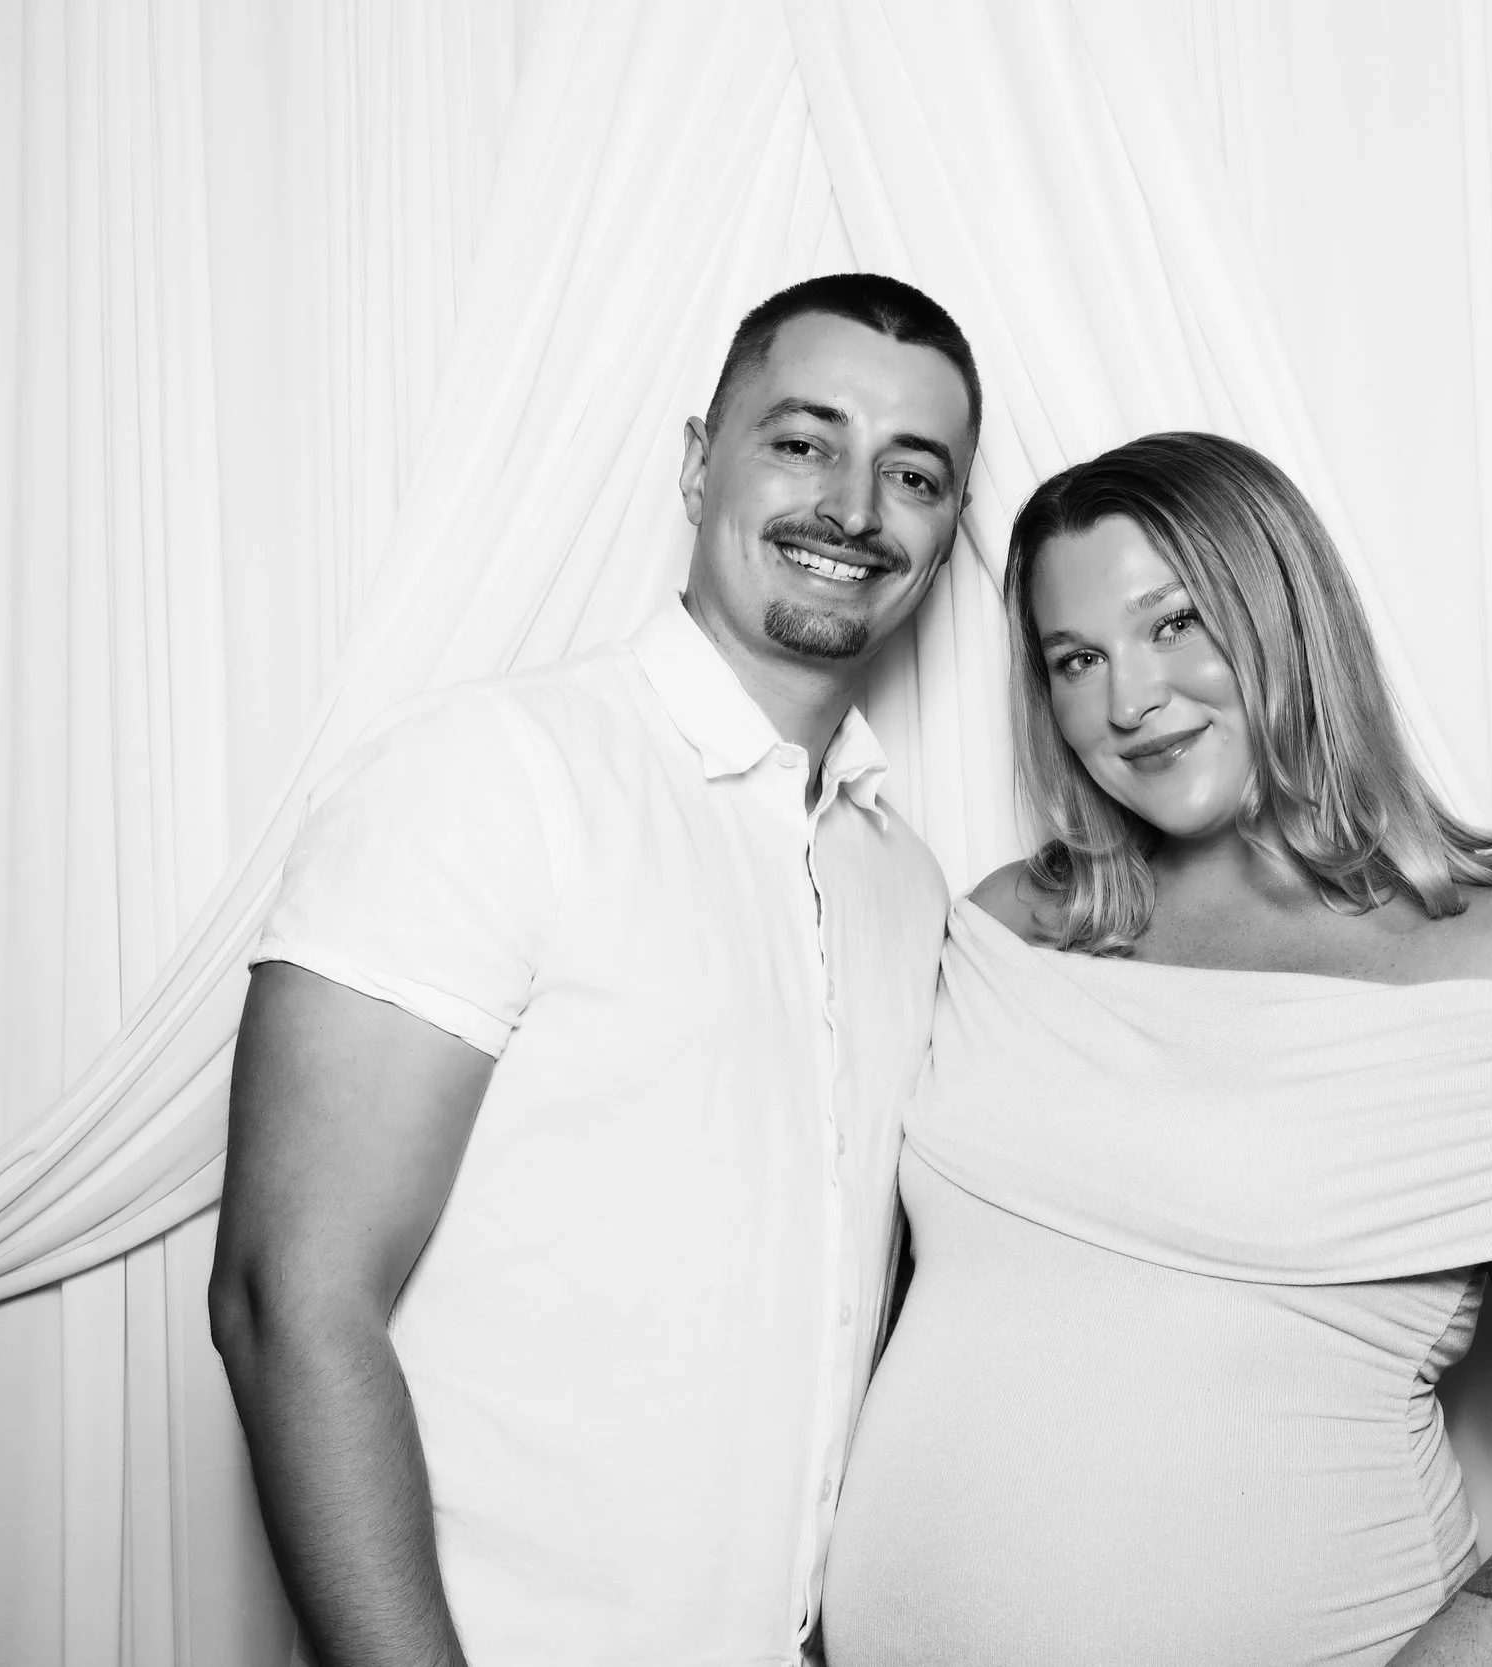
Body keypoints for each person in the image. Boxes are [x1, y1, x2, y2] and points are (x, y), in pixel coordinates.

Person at [820, 432, 1492, 1665]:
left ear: (1283, 615)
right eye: (1075, 658)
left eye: (1175, 622)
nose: (1126, 701)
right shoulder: (1005, 925)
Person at [207, 274, 979, 1666]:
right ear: (699, 463)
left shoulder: (902, 880)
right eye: (802, 441)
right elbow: (285, 1294)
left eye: (913, 472)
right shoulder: (493, 773)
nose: (855, 508)